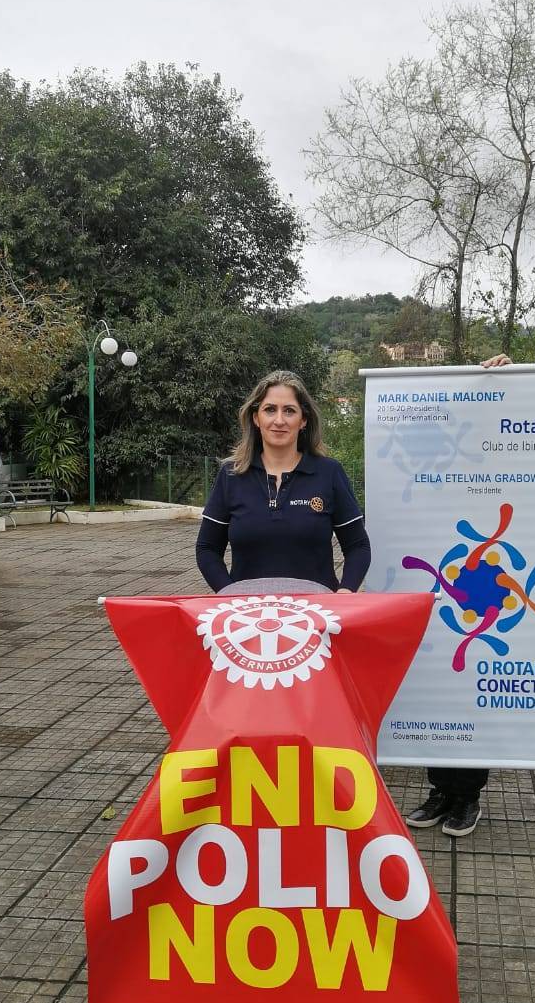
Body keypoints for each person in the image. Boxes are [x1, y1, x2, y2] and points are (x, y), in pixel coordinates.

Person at [405, 351, 513, 838]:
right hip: (439, 585)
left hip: (483, 592)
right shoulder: (423, 465)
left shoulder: (494, 454)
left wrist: (504, 383)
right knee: (435, 688)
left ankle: (468, 795)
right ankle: (440, 789)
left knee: (470, 692)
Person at [195, 369, 370, 594]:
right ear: (256, 418)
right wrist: (229, 594)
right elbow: (207, 548)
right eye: (270, 409)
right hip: (248, 612)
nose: (279, 420)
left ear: (303, 420)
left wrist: (346, 591)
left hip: (318, 612)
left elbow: (358, 546)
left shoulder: (329, 473)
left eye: (289, 411)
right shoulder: (231, 475)